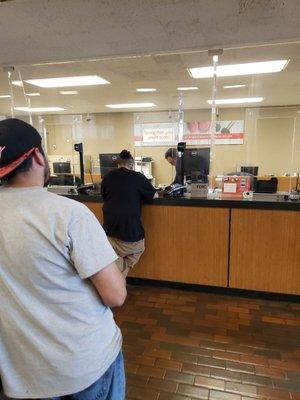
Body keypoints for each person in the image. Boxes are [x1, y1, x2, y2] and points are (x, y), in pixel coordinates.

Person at [0, 118, 127, 400]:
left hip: (21, 373)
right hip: (83, 365)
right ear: (37, 156)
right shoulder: (69, 213)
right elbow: (115, 295)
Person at [101, 150, 157, 277]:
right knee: (140, 248)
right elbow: (154, 195)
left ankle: (118, 276)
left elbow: (104, 197)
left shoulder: (108, 177)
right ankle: (120, 278)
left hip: (108, 235)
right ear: (131, 165)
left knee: (116, 259)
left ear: (118, 165)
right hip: (131, 236)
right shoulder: (138, 177)